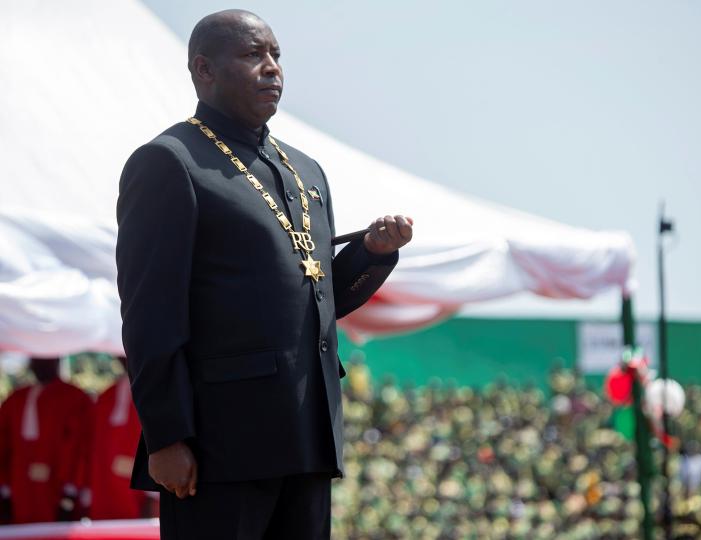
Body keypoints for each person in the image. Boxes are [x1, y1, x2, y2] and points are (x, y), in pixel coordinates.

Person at [115, 9, 413, 539]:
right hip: (218, 447)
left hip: (306, 437)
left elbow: (318, 299)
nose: (272, 68)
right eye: (254, 55)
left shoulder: (306, 171)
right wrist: (166, 437)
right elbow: (149, 314)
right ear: (203, 70)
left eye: (276, 56)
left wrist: (371, 253)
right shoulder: (171, 162)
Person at [0, 358, 92, 524]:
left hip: (57, 486)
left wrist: (70, 493)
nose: (39, 366)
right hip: (20, 487)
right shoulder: (16, 398)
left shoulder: (75, 398)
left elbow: (81, 449)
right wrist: (4, 490)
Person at [89, 357, 157, 519]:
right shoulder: (106, 396)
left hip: (142, 484)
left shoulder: (154, 390)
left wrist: (153, 496)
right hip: (105, 485)